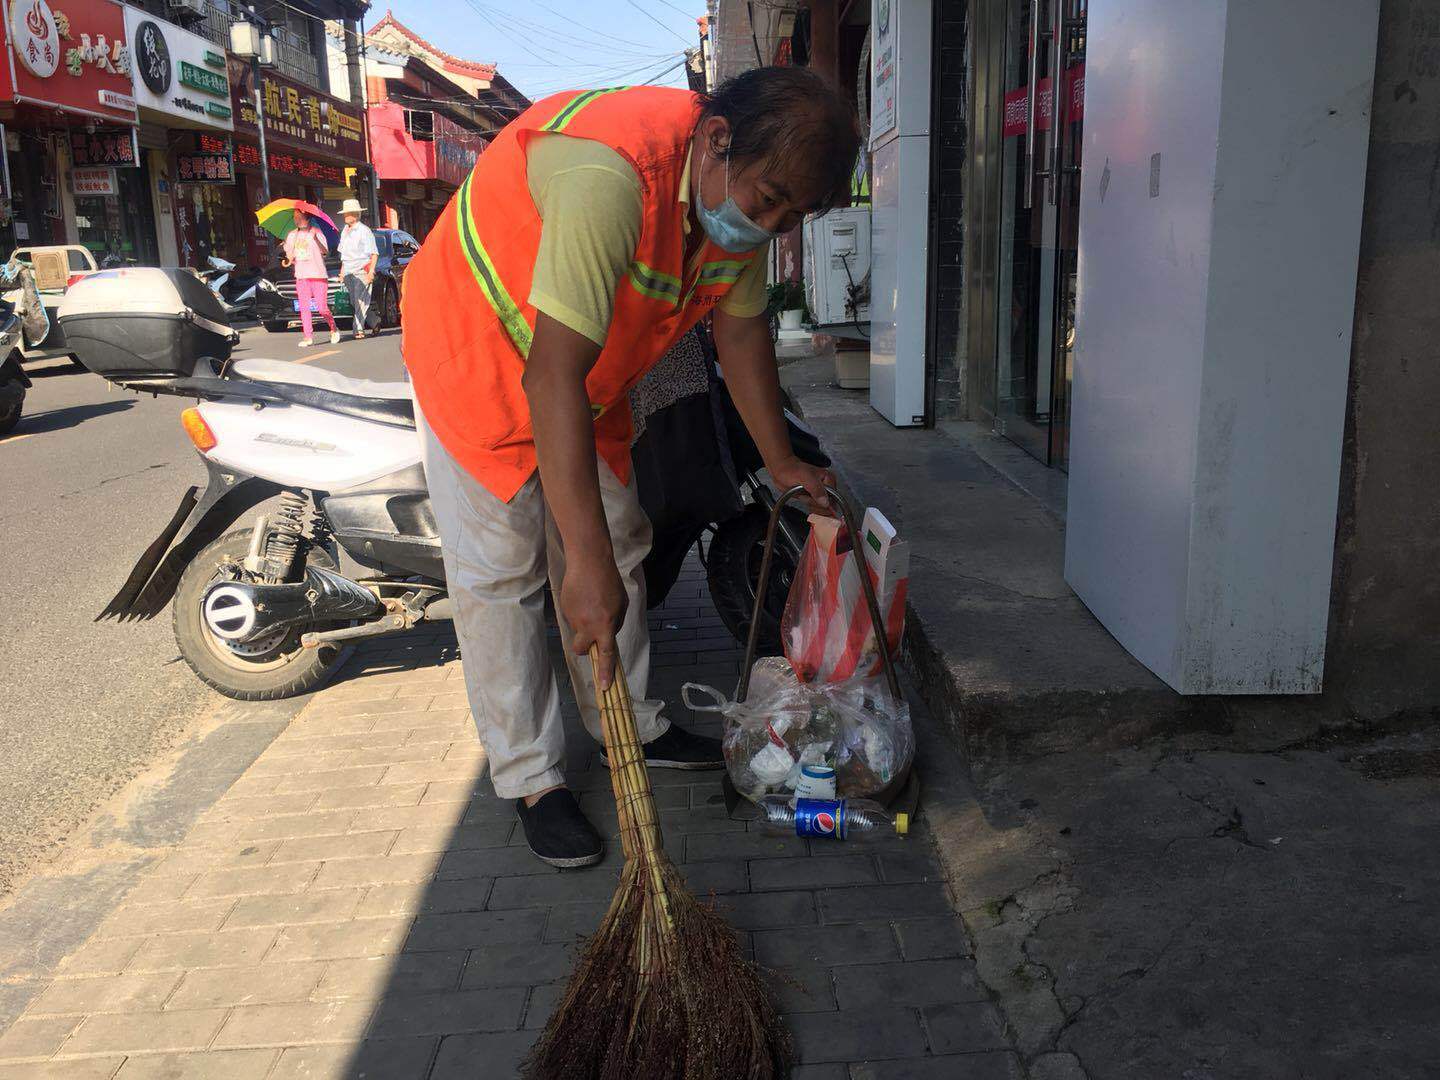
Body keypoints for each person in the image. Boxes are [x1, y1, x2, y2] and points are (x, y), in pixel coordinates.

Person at [402, 67, 858, 868]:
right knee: (504, 576)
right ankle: (533, 778)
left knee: (619, 547)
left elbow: (743, 337)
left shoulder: (734, 206)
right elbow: (548, 378)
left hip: (584, 373)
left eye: (795, 214)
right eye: (770, 199)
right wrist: (576, 564)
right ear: (716, 142)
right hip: (476, 352)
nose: (773, 223)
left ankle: (630, 730)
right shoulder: (609, 173)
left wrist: (784, 463)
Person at [280, 209, 338, 347]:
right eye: (295, 217)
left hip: (318, 274)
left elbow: (325, 251)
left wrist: (316, 239)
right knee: (304, 308)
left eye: (299, 217)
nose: (296, 219)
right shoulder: (292, 235)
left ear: (306, 217)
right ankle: (308, 336)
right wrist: (287, 254)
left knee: (322, 308)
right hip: (301, 275)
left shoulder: (316, 232)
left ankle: (333, 328)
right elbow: (290, 256)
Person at [338, 197, 379, 339]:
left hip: (362, 269)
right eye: (344, 213)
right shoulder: (344, 231)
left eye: (347, 213)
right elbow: (343, 254)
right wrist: (342, 272)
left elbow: (374, 253)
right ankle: (375, 321)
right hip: (349, 271)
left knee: (361, 301)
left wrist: (371, 271)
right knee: (354, 301)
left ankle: (358, 329)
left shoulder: (364, 231)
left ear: (355, 214)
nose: (345, 216)